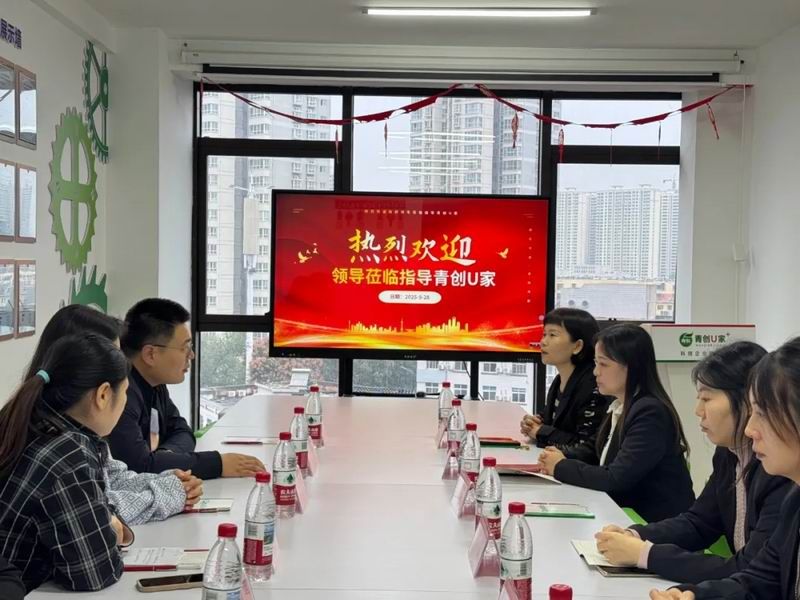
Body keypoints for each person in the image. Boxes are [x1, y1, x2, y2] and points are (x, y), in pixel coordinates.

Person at [596, 341, 791, 583]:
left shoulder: (780, 470)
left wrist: (646, 554)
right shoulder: (728, 453)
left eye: (706, 399)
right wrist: (634, 535)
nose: (698, 410)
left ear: (746, 402)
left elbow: (750, 570)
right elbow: (700, 522)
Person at [24, 304, 204, 525]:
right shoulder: (60, 445)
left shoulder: (81, 427)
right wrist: (169, 493)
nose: (123, 370)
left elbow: (113, 478)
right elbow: (99, 510)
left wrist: (167, 479)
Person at [650, 338, 800, 600]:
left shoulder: (781, 484)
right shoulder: (794, 502)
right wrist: (693, 596)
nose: (750, 430)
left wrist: (646, 554)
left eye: (762, 413)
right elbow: (759, 581)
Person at [0, 334, 130, 592]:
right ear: (103, 395)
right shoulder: (67, 455)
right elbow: (96, 573)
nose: (125, 401)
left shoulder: (35, 421)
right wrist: (110, 530)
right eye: (125, 392)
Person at [538, 323, 695, 522]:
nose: (596, 372)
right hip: (622, 515)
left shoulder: (650, 412)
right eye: (595, 363)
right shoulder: (620, 405)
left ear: (631, 366)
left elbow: (616, 478)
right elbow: (596, 451)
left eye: (603, 364)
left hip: (650, 524)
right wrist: (561, 455)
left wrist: (561, 467)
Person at [108, 298, 264, 478]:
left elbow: (182, 430)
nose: (192, 355)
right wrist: (218, 464)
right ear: (151, 354)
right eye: (185, 348)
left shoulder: (154, 383)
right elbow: (138, 465)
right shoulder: (120, 393)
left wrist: (165, 456)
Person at [519, 308, 609, 451]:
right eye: (544, 334)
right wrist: (534, 422)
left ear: (577, 346)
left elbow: (585, 446)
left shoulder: (594, 385)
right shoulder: (559, 380)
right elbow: (555, 421)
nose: (543, 342)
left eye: (552, 335)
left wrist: (540, 431)